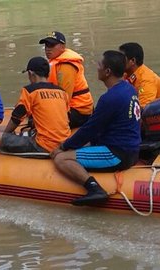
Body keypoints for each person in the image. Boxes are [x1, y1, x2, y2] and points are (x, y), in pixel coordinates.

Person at [51, 50, 142, 206]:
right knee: (79, 147)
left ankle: (94, 189)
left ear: (107, 72)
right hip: (130, 148)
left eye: (99, 64)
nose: (96, 67)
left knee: (62, 158)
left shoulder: (110, 98)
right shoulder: (129, 89)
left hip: (118, 154)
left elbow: (90, 129)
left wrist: (63, 146)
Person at [0, 56, 70, 153]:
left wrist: (5, 136)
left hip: (43, 145)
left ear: (30, 73)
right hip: (64, 143)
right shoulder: (62, 92)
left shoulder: (30, 91)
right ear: (48, 73)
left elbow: (16, 118)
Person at [39, 31, 94, 128]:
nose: (47, 49)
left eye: (51, 45)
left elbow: (65, 97)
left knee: (42, 121)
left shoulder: (66, 66)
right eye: (46, 45)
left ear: (62, 46)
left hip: (79, 111)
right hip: (71, 108)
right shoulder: (56, 62)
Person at [119, 42, 160, 108]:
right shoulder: (127, 73)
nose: (118, 61)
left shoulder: (146, 80)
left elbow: (143, 109)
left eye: (121, 58)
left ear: (133, 61)